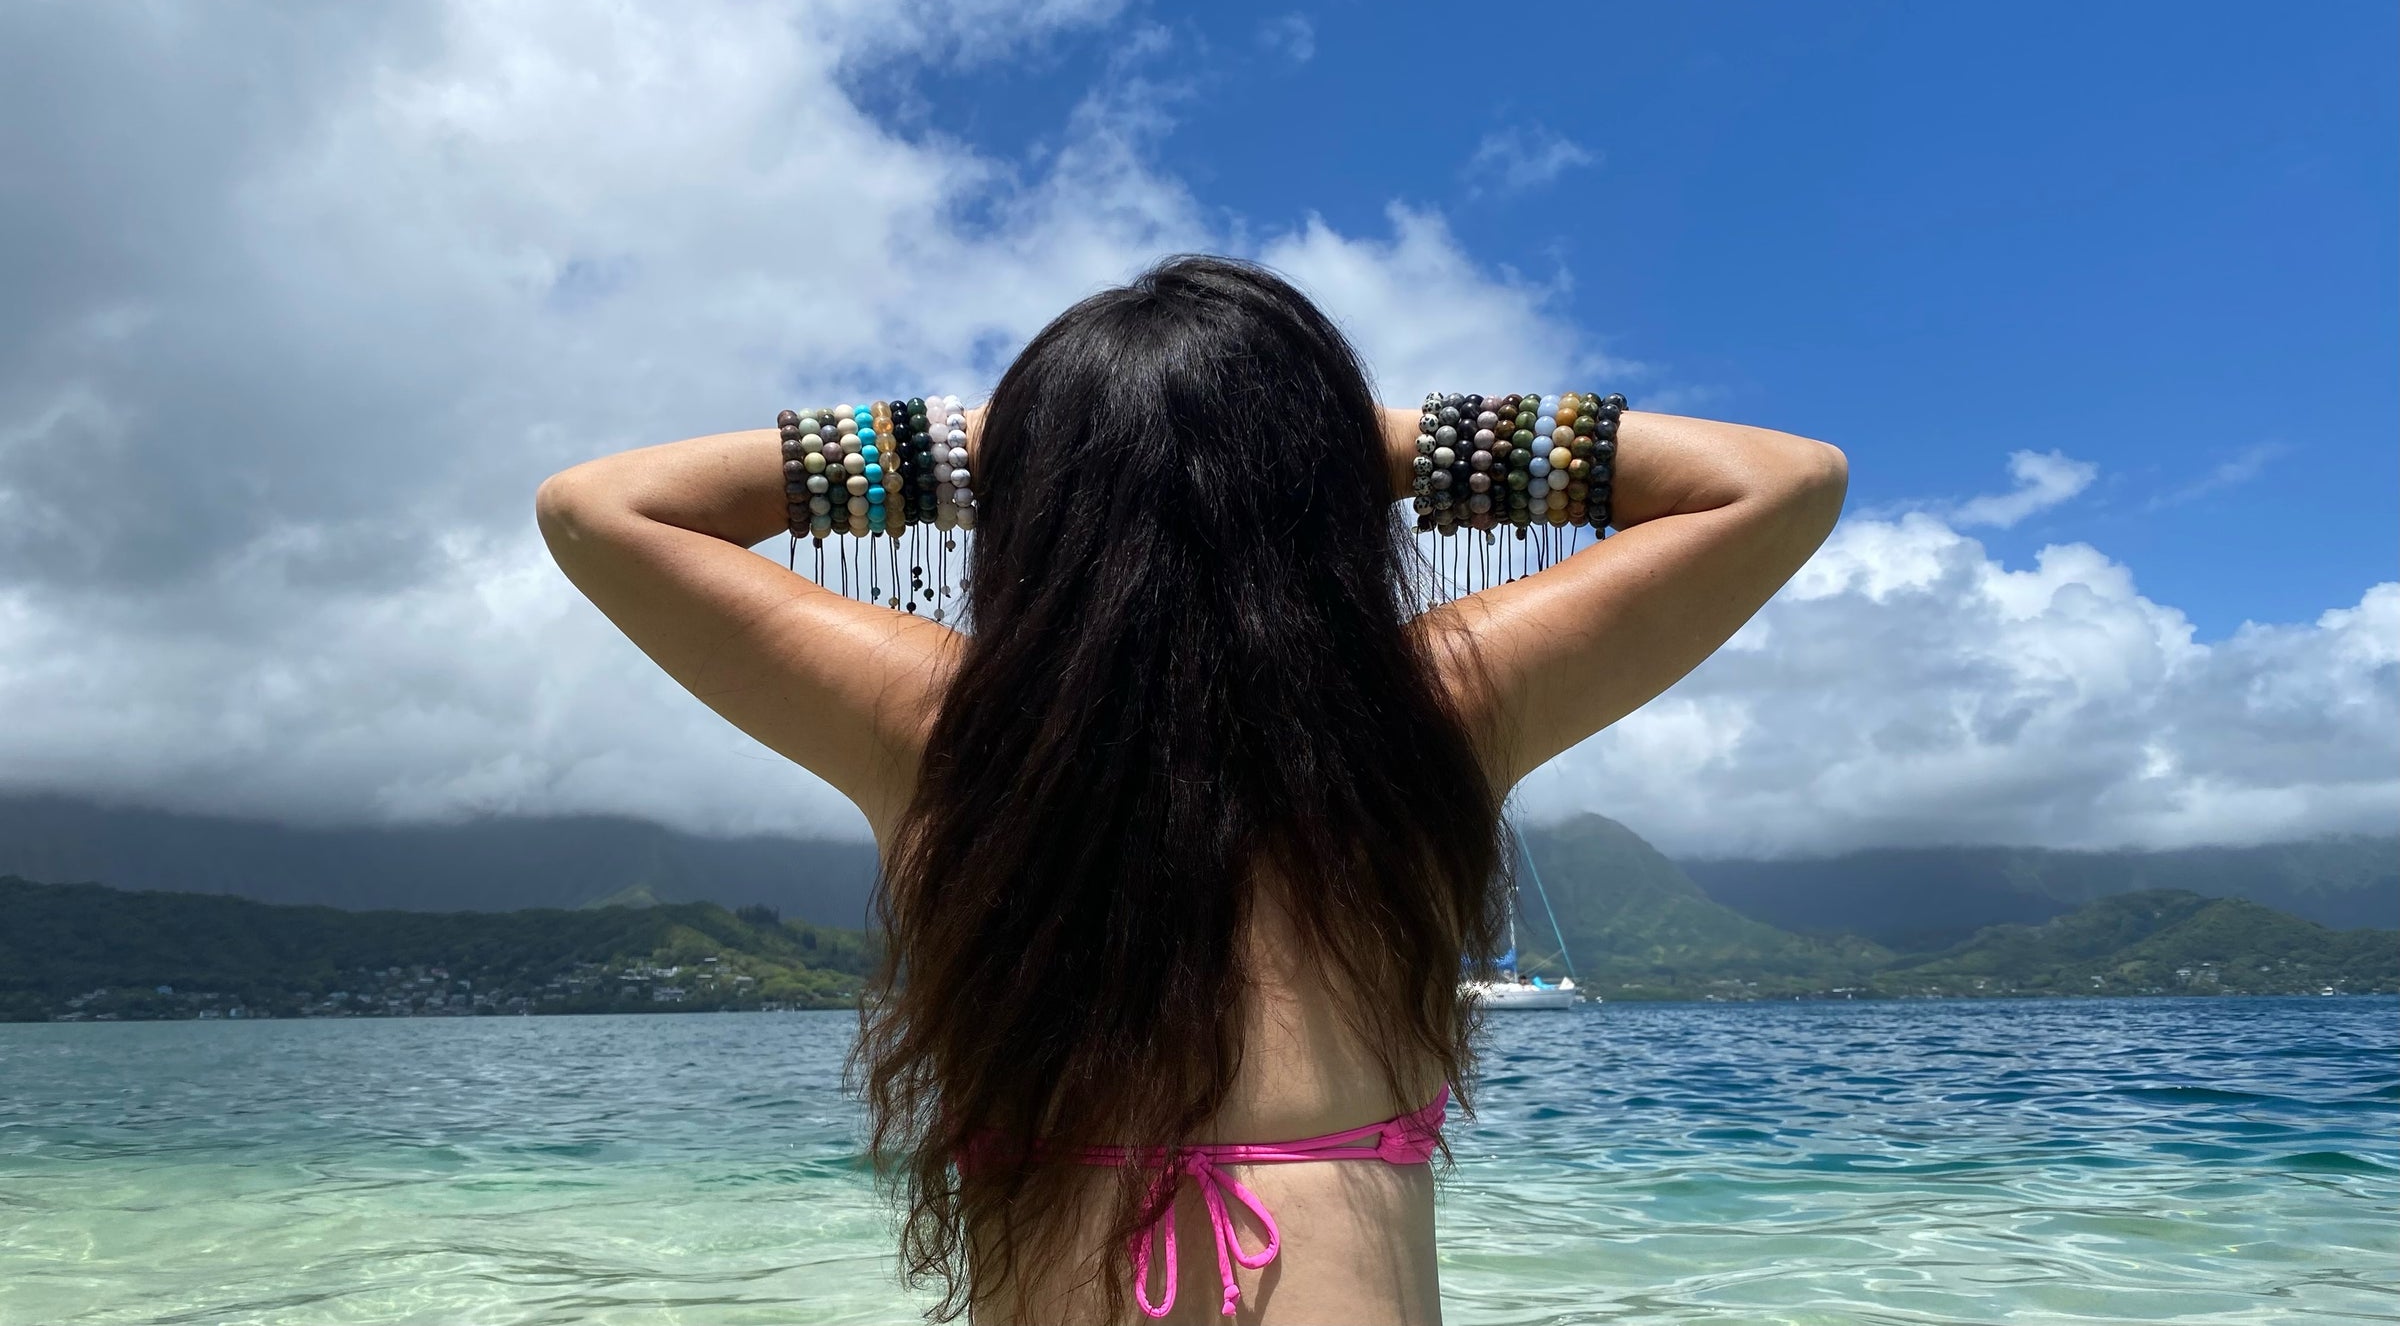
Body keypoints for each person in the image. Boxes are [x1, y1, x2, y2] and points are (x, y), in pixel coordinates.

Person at [535, 255, 1846, 1324]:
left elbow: (603, 509)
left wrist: (1034, 439)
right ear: (1319, 499)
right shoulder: (1420, 713)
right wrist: (1348, 438)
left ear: (1038, 508)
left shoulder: (948, 731)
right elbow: (1780, 484)